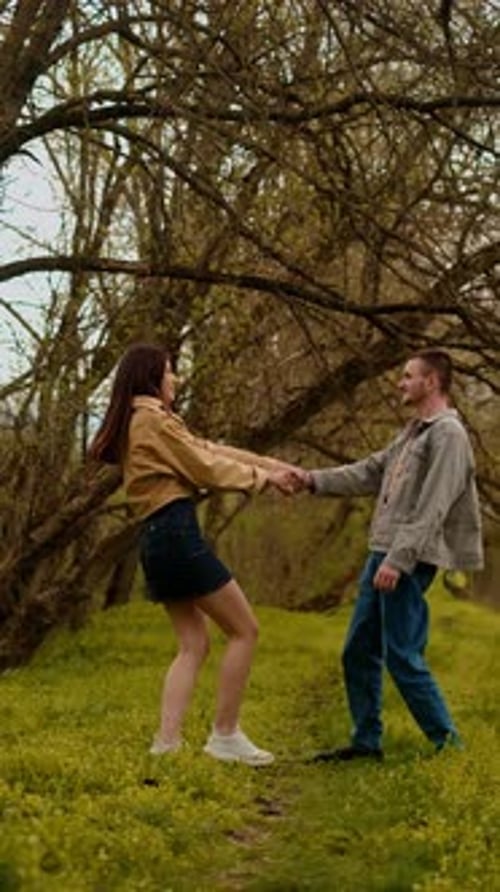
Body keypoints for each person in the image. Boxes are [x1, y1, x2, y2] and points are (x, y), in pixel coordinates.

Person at [89, 342, 299, 767]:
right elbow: (204, 467)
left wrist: (270, 465)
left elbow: (208, 448)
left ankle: (166, 745)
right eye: (169, 372)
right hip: (176, 533)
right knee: (245, 630)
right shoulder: (150, 420)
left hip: (157, 537)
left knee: (193, 644)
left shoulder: (149, 420)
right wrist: (263, 479)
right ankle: (225, 735)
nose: (175, 380)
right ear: (152, 376)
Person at [299, 349, 483, 762]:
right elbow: (367, 471)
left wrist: (398, 561)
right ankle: (367, 743)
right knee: (358, 652)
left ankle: (450, 747)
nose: (399, 383)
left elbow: (433, 506)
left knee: (402, 655)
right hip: (382, 552)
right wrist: (311, 480)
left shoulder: (448, 435)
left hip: (406, 559)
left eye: (407, 376)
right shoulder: (412, 433)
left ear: (431, 382)